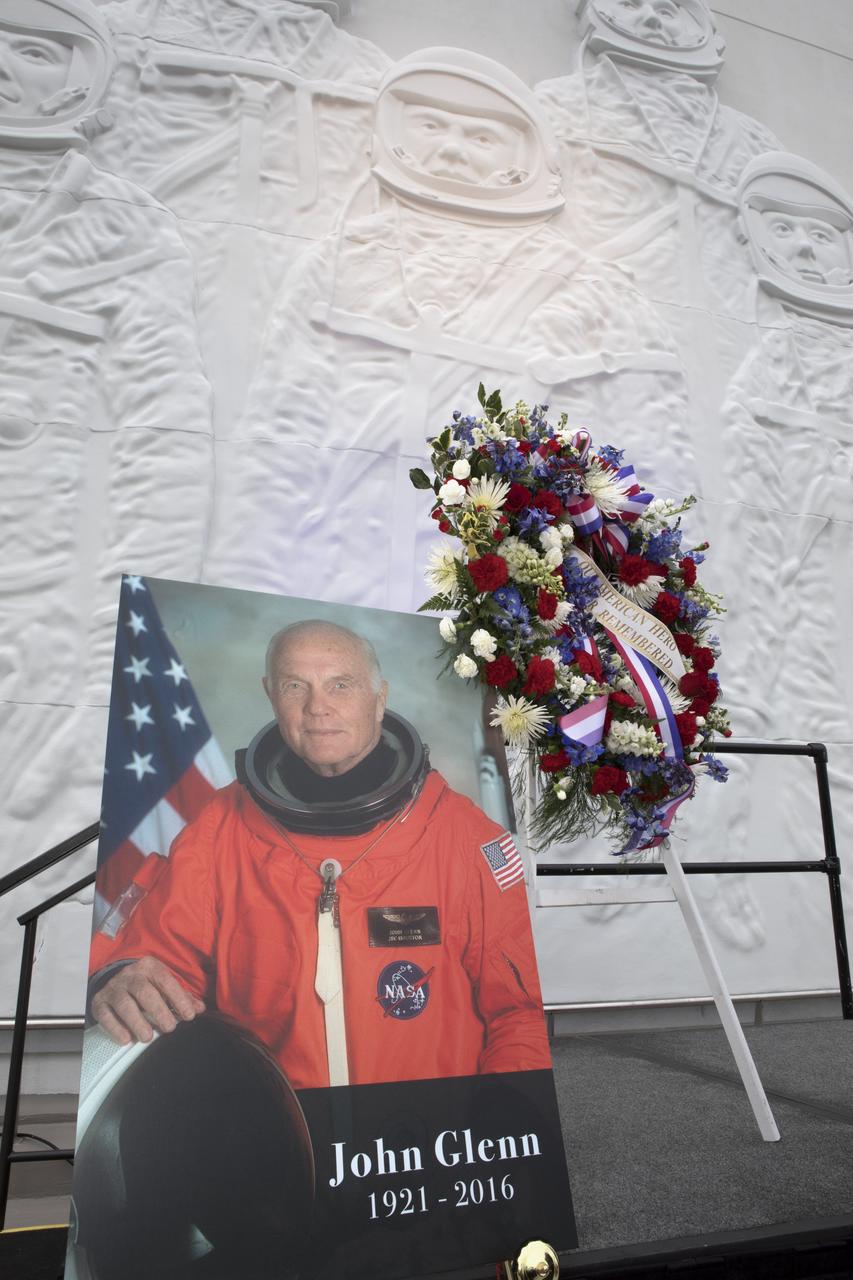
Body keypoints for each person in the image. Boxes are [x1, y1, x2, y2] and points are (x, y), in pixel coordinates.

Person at [89, 620, 551, 1090]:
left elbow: (519, 1014)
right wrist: (127, 975)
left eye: (340, 685)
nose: (317, 708)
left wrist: (501, 1127)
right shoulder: (219, 830)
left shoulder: (468, 839)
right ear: (270, 694)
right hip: (281, 1139)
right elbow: (159, 966)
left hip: (427, 1142)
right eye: (295, 686)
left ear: (380, 696)